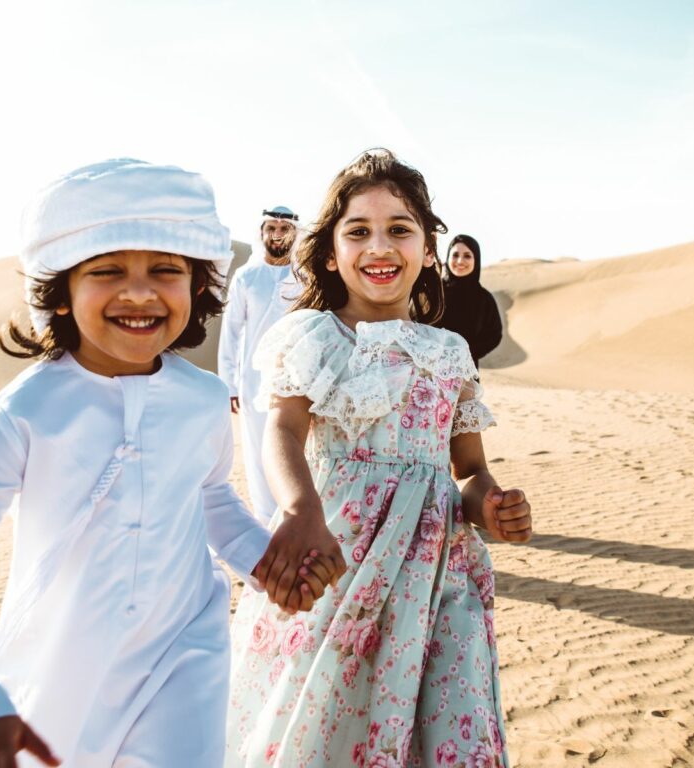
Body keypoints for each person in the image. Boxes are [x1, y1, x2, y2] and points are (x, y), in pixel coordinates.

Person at [0, 160, 340, 768]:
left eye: (166, 269)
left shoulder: (205, 398)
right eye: (107, 271)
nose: (139, 291)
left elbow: (210, 499)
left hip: (184, 654)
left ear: (199, 286)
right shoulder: (30, 407)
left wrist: (268, 566)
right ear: (60, 289)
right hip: (63, 662)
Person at [225, 149, 533, 767]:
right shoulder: (312, 335)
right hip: (337, 559)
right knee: (327, 717)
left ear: (427, 249)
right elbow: (282, 430)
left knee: (445, 727)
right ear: (331, 251)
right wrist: (299, 509)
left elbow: (467, 468)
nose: (379, 246)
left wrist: (490, 506)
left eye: (400, 230)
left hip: (437, 578)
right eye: (358, 231)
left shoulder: (450, 352)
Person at [218, 205, 302, 524]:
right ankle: (268, 528)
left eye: (284, 228)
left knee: (295, 454)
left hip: (296, 384)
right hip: (252, 386)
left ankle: (293, 521)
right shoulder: (246, 277)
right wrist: (229, 384)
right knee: (257, 456)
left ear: (295, 233)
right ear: (262, 232)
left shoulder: (304, 278)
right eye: (272, 228)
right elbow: (231, 334)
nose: (278, 234)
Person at [436, 234, 503, 368]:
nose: (460, 261)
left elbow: (494, 335)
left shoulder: (484, 299)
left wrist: (466, 352)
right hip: (429, 372)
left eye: (467, 256)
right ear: (447, 257)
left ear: (476, 260)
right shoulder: (434, 292)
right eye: (455, 255)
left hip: (466, 373)